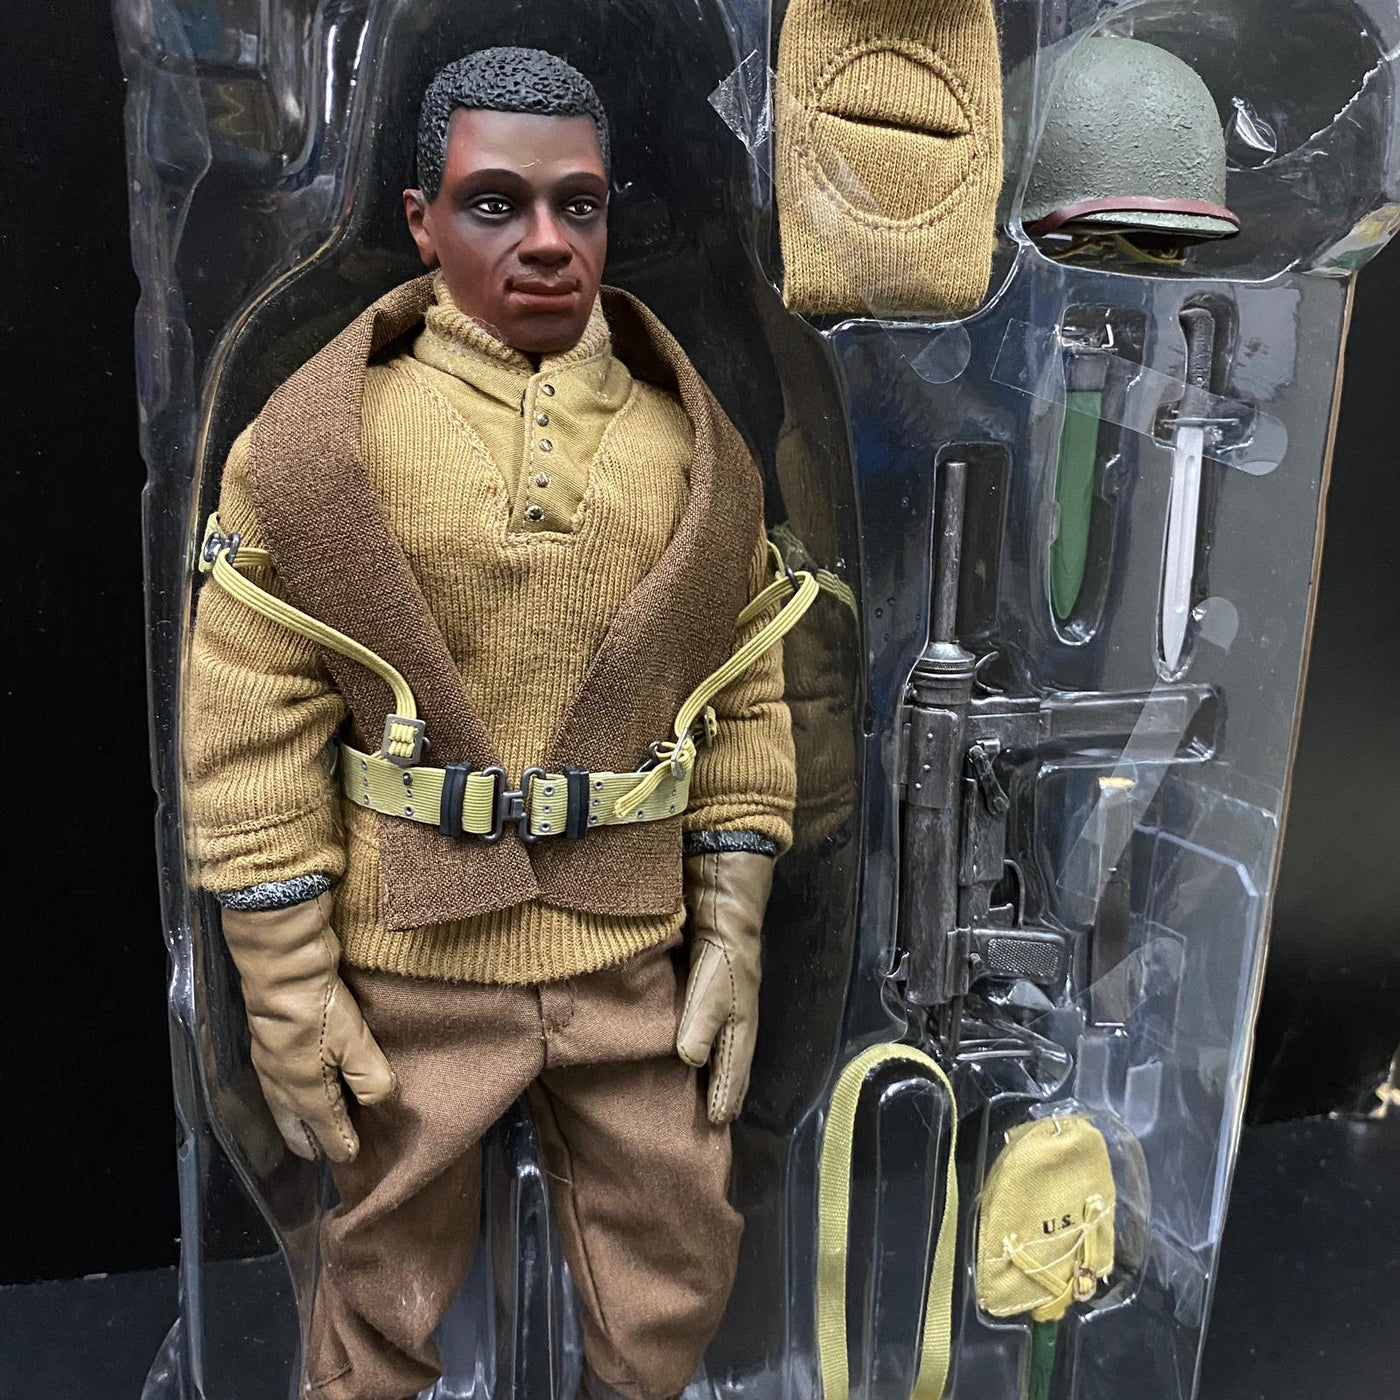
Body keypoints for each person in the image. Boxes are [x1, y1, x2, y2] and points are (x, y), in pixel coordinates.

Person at [187, 46, 796, 1400]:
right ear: (421, 220)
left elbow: (746, 689)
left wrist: (733, 925)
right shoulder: (327, 442)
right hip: (407, 960)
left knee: (679, 1254)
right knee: (377, 1268)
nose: (546, 240)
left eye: (578, 205)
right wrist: (284, 978)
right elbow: (251, 706)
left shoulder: (684, 447)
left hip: (629, 954)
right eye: (494, 203)